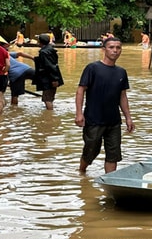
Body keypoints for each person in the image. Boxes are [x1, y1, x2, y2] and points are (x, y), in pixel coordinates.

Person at [74, 37, 134, 175]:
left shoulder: (121, 72)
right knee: (91, 151)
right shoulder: (92, 68)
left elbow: (122, 96)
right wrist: (79, 113)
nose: (115, 50)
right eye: (111, 47)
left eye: (118, 48)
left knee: (113, 154)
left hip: (114, 121)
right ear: (104, 49)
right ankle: (81, 172)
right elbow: (80, 90)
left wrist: (128, 118)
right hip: (94, 119)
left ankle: (109, 181)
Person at [20, 34, 63, 110]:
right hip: (52, 77)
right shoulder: (50, 49)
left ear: (40, 42)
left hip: (49, 79)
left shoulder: (44, 52)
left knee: (47, 99)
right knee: (50, 98)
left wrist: (54, 79)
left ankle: (49, 116)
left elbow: (50, 66)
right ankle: (50, 115)